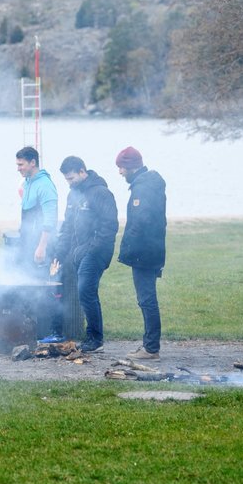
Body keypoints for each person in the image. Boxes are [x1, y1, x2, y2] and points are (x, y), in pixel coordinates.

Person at [52, 156, 118, 353]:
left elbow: (110, 226)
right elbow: (67, 226)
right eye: (66, 180)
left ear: (82, 171)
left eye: (72, 178)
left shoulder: (101, 193)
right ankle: (92, 337)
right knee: (85, 292)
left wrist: (91, 248)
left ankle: (95, 339)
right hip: (78, 251)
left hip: (97, 250)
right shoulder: (73, 196)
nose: (69, 183)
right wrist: (60, 252)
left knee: (85, 291)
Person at [115, 146, 166, 361]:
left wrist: (127, 250)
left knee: (146, 299)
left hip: (144, 252)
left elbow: (140, 221)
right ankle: (149, 345)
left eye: (121, 168)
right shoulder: (147, 184)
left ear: (131, 167)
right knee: (147, 298)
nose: (120, 173)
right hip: (152, 249)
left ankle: (151, 348)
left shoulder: (143, 188)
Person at [14, 146, 61, 343]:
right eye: (17, 164)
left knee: (47, 287)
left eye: (21, 164)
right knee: (30, 286)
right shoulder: (28, 182)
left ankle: (55, 332)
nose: (18, 168)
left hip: (43, 246)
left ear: (33, 162)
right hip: (29, 244)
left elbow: (49, 219)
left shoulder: (45, 185)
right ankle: (34, 330)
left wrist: (41, 247)